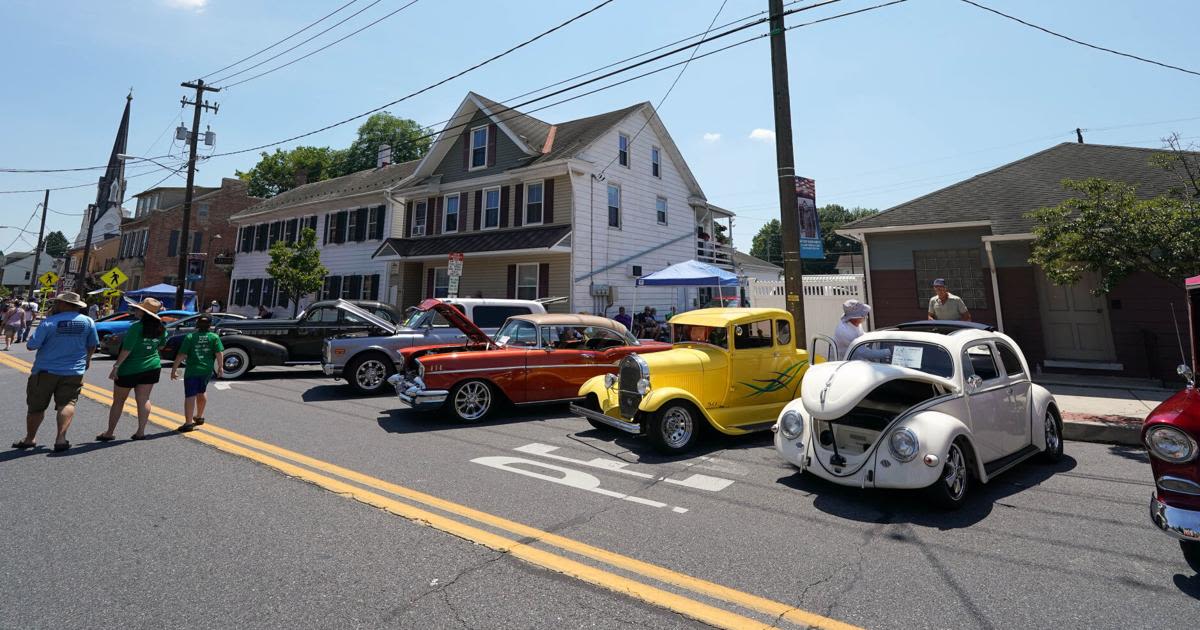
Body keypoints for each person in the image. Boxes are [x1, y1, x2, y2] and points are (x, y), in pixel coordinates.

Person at [11, 292, 98, 452]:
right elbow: (92, 344)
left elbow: (32, 345)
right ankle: (61, 439)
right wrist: (88, 360)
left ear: (64, 304)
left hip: (46, 370)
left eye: (58, 303)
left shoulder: (50, 322)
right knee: (68, 403)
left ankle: (30, 439)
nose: (56, 305)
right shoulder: (88, 322)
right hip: (74, 370)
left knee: (36, 407)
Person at [97, 298, 167, 442]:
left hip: (130, 367)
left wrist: (116, 367)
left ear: (144, 312)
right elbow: (161, 347)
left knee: (118, 401)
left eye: (137, 309)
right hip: (152, 366)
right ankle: (140, 432)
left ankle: (109, 432)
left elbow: (126, 350)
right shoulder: (161, 328)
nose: (135, 311)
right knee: (144, 399)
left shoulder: (136, 327)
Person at [170, 315, 224, 432]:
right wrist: (220, 367)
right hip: (206, 370)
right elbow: (219, 353)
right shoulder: (214, 337)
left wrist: (174, 369)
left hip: (192, 371)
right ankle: (199, 416)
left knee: (190, 395)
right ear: (210, 325)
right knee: (202, 391)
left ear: (197, 324)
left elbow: (182, 355)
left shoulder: (190, 337)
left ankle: (188, 423)